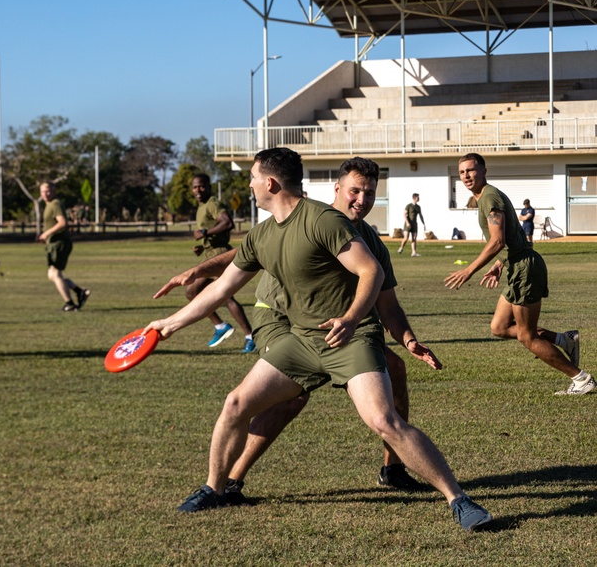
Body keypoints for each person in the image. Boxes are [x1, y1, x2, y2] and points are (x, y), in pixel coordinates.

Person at [146, 148, 492, 531]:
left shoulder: (323, 221)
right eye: (356, 191)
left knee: (383, 420)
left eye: (253, 179)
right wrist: (169, 325)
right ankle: (214, 488)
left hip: (352, 337)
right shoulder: (262, 233)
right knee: (236, 403)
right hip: (301, 339)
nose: (250, 186)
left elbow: (371, 273)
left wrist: (358, 321)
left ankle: (459, 499)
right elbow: (221, 287)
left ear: (270, 183)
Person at [446, 153, 592, 395]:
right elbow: (510, 239)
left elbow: (497, 241)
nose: (466, 176)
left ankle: (580, 378)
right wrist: (500, 264)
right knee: (500, 327)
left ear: (484, 171)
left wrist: (469, 270)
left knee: (527, 336)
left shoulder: (489, 197)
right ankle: (564, 340)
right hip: (516, 266)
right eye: (462, 172)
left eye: (471, 170)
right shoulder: (485, 197)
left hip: (525, 269)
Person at [188, 173, 254, 352]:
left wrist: (205, 233)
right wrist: (203, 246)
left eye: (201, 186)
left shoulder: (213, 204)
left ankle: (247, 335)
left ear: (208, 186)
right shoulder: (202, 206)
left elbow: (227, 223)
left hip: (219, 255)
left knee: (218, 295)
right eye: (195, 187)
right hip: (210, 253)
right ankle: (221, 326)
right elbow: (213, 233)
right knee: (194, 291)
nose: (197, 190)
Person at [38, 182, 90, 312]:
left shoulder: (55, 204)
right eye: (43, 191)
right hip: (53, 243)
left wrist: (46, 234)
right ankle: (79, 292)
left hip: (59, 243)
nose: (45, 193)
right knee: (52, 274)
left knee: (55, 274)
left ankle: (70, 304)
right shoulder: (49, 204)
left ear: (54, 191)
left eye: (48, 191)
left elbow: (62, 223)